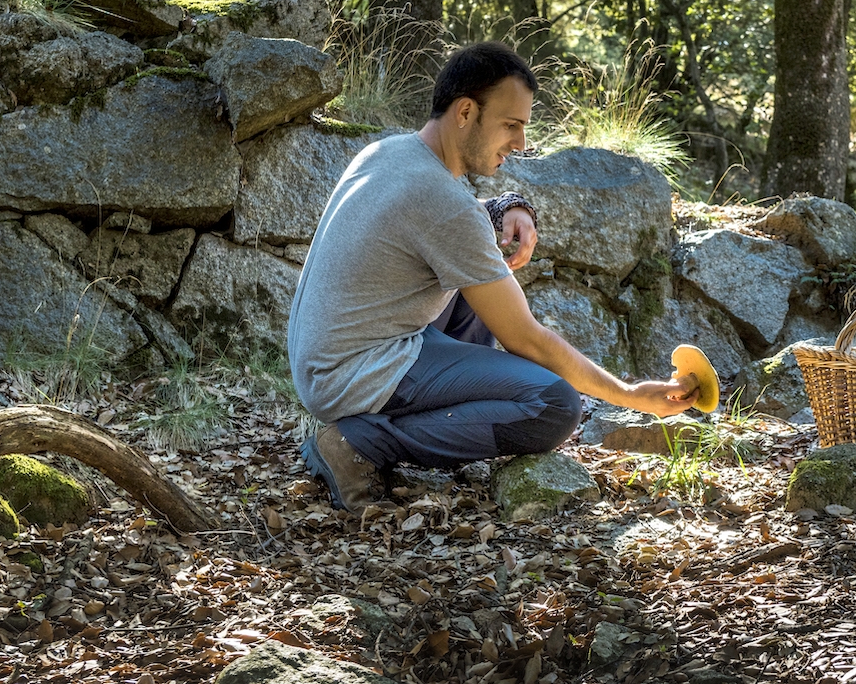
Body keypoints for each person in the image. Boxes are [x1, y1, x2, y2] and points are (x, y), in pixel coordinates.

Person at [288, 42, 696, 514]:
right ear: (465, 112)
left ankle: (439, 428)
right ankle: (360, 442)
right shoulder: (443, 204)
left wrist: (505, 205)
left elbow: (447, 228)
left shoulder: (391, 152)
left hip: (326, 359)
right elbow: (528, 339)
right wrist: (628, 394)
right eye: (511, 125)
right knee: (556, 406)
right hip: (352, 374)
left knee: (479, 280)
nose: (520, 143)